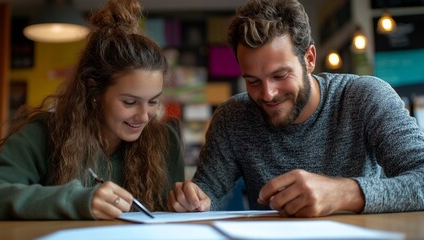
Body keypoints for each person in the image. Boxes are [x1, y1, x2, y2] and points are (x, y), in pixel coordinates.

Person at [167, 0, 424, 217]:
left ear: (309, 59)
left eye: (280, 75)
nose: (267, 94)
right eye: (253, 81)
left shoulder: (365, 97)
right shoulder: (232, 117)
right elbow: (208, 192)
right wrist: (193, 200)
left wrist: (343, 193)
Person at [0, 0, 184, 220]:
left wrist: (187, 201)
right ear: (95, 90)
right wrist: (74, 200)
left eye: (153, 102)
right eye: (130, 102)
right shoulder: (42, 135)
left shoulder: (165, 142)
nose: (144, 116)